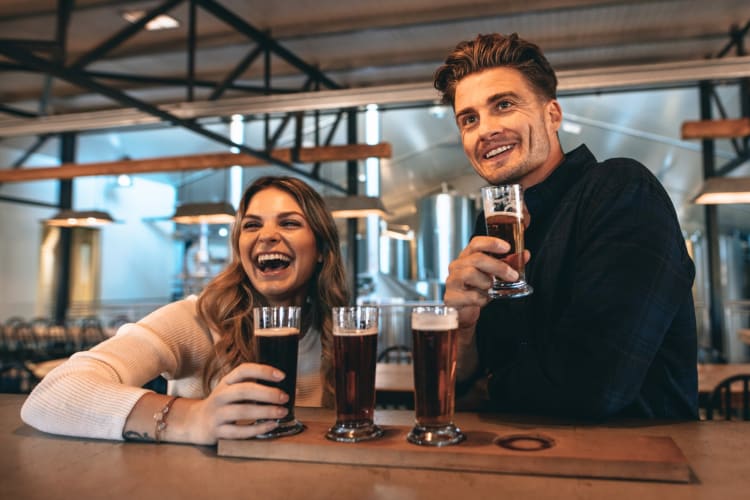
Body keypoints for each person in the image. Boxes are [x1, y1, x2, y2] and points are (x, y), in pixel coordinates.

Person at [435, 33, 698, 419]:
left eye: (504, 105)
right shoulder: (491, 228)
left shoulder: (621, 189)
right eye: (469, 119)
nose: (485, 129)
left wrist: (487, 389)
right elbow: (464, 375)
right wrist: (462, 330)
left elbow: (593, 385)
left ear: (552, 115)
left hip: (642, 466)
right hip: (522, 462)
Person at [21, 176, 350, 444]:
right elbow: (53, 394)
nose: (266, 236)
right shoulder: (197, 319)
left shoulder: (337, 333)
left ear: (320, 249)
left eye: (289, 223)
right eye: (251, 225)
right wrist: (194, 418)